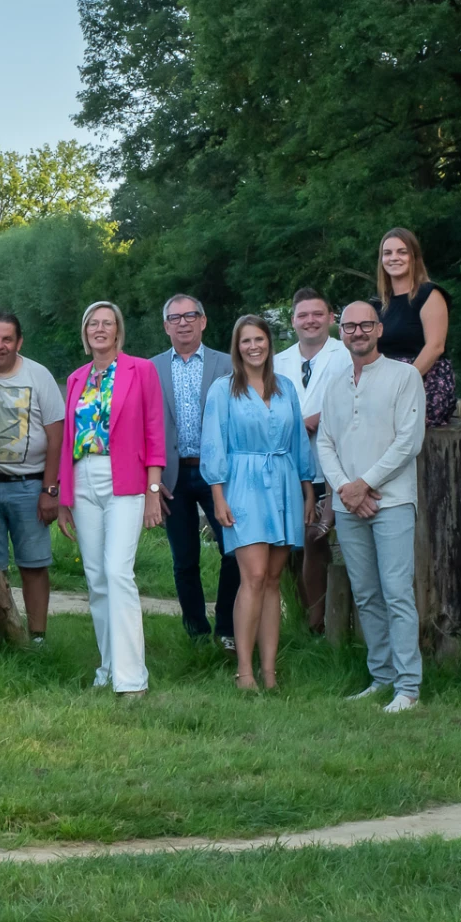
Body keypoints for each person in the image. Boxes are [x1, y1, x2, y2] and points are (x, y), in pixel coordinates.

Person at [317, 300, 427, 713]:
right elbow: (325, 441)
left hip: (392, 501)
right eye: (349, 326)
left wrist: (365, 484)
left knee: (397, 592)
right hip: (349, 506)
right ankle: (381, 677)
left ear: (379, 330)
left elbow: (409, 441)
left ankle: (408, 686)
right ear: (339, 331)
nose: (357, 332)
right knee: (366, 595)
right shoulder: (335, 382)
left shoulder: (403, 377)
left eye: (366, 325)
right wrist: (347, 489)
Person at [57, 301, 166, 697]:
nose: (99, 329)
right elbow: (69, 440)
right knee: (97, 579)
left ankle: (132, 677)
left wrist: (154, 491)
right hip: (84, 478)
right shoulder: (76, 378)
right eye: (93, 324)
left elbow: (155, 432)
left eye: (107, 323)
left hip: (126, 480)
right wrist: (64, 496)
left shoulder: (142, 370)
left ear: (118, 331)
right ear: (85, 332)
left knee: (119, 573)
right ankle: (107, 666)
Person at [203, 315, 315, 692]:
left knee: (271, 580)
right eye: (246, 340)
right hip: (243, 484)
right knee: (251, 577)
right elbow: (214, 442)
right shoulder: (223, 390)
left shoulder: (284, 387)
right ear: (237, 346)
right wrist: (217, 495)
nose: (254, 346)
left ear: (269, 343)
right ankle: (244, 672)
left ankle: (270, 673)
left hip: (283, 483)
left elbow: (299, 439)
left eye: (260, 339)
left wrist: (308, 488)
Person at [151, 294, 240, 648]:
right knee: (183, 558)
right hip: (173, 476)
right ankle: (196, 632)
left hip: (218, 474)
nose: (183, 322)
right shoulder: (151, 368)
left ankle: (227, 628)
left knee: (233, 550)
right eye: (175, 317)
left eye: (190, 315)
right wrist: (153, 484)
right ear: (165, 326)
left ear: (203, 321)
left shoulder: (227, 363)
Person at [0, 310, 64, 642]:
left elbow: (57, 438)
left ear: (19, 342)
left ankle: (37, 637)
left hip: (30, 485)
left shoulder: (39, 376)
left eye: (6, 339)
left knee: (34, 565)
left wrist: (50, 490)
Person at [272, 288, 349, 631]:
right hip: (287, 467)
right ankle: (302, 618)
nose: (310, 321)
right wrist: (295, 425)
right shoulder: (278, 362)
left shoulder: (346, 355)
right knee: (289, 548)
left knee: (316, 542)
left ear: (331, 318)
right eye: (303, 315)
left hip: (330, 467)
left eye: (318, 314)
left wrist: (318, 418)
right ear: (293, 321)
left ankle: (319, 624)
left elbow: (352, 400)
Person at [374, 228, 455, 428]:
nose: (394, 258)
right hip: (385, 381)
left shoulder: (429, 294)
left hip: (425, 380)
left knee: (390, 421)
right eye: (388, 253)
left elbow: (435, 346)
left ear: (414, 257)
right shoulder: (377, 304)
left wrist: (401, 383)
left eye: (402, 252)